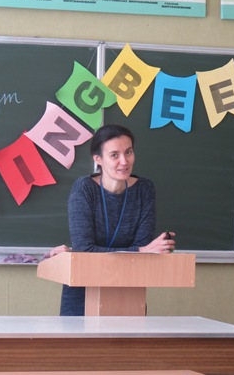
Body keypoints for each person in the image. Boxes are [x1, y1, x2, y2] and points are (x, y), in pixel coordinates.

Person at [48, 124, 176, 316]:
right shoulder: (84, 189)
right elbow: (85, 249)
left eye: (129, 152)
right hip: (83, 291)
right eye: (114, 155)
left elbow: (143, 251)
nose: (124, 161)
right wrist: (139, 251)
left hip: (128, 291)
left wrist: (143, 251)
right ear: (98, 159)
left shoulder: (144, 190)